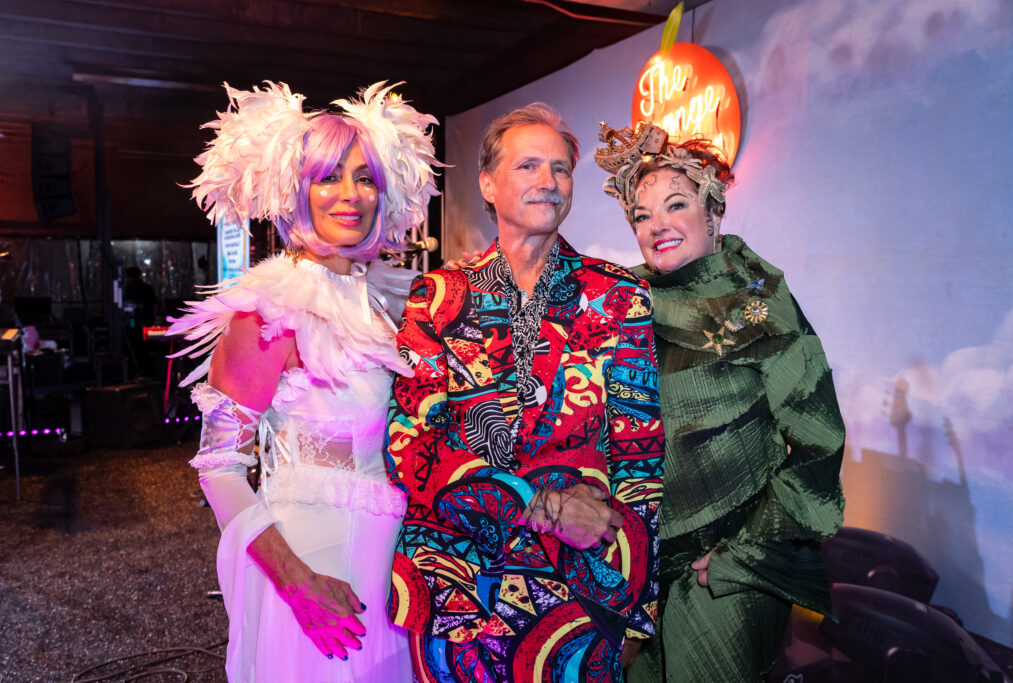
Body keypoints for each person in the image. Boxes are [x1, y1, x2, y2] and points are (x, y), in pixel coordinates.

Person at [167, 81, 442, 683]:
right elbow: (219, 467)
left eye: (365, 178)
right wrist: (298, 584)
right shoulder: (268, 308)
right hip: (313, 564)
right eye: (328, 177)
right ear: (297, 191)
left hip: (392, 567)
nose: (350, 195)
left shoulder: (391, 305)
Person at [385, 103, 665, 683]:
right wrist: (544, 507)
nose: (549, 181)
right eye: (529, 165)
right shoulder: (436, 297)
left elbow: (642, 462)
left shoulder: (618, 296)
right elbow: (409, 448)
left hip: (583, 598)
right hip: (458, 587)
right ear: (487, 184)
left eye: (561, 169)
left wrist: (638, 606)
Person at [594, 122, 846, 682]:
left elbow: (818, 439)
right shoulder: (620, 305)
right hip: (635, 572)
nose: (657, 224)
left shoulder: (758, 301)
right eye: (641, 214)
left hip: (725, 571)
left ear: (712, 213)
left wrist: (744, 555)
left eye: (675, 205)